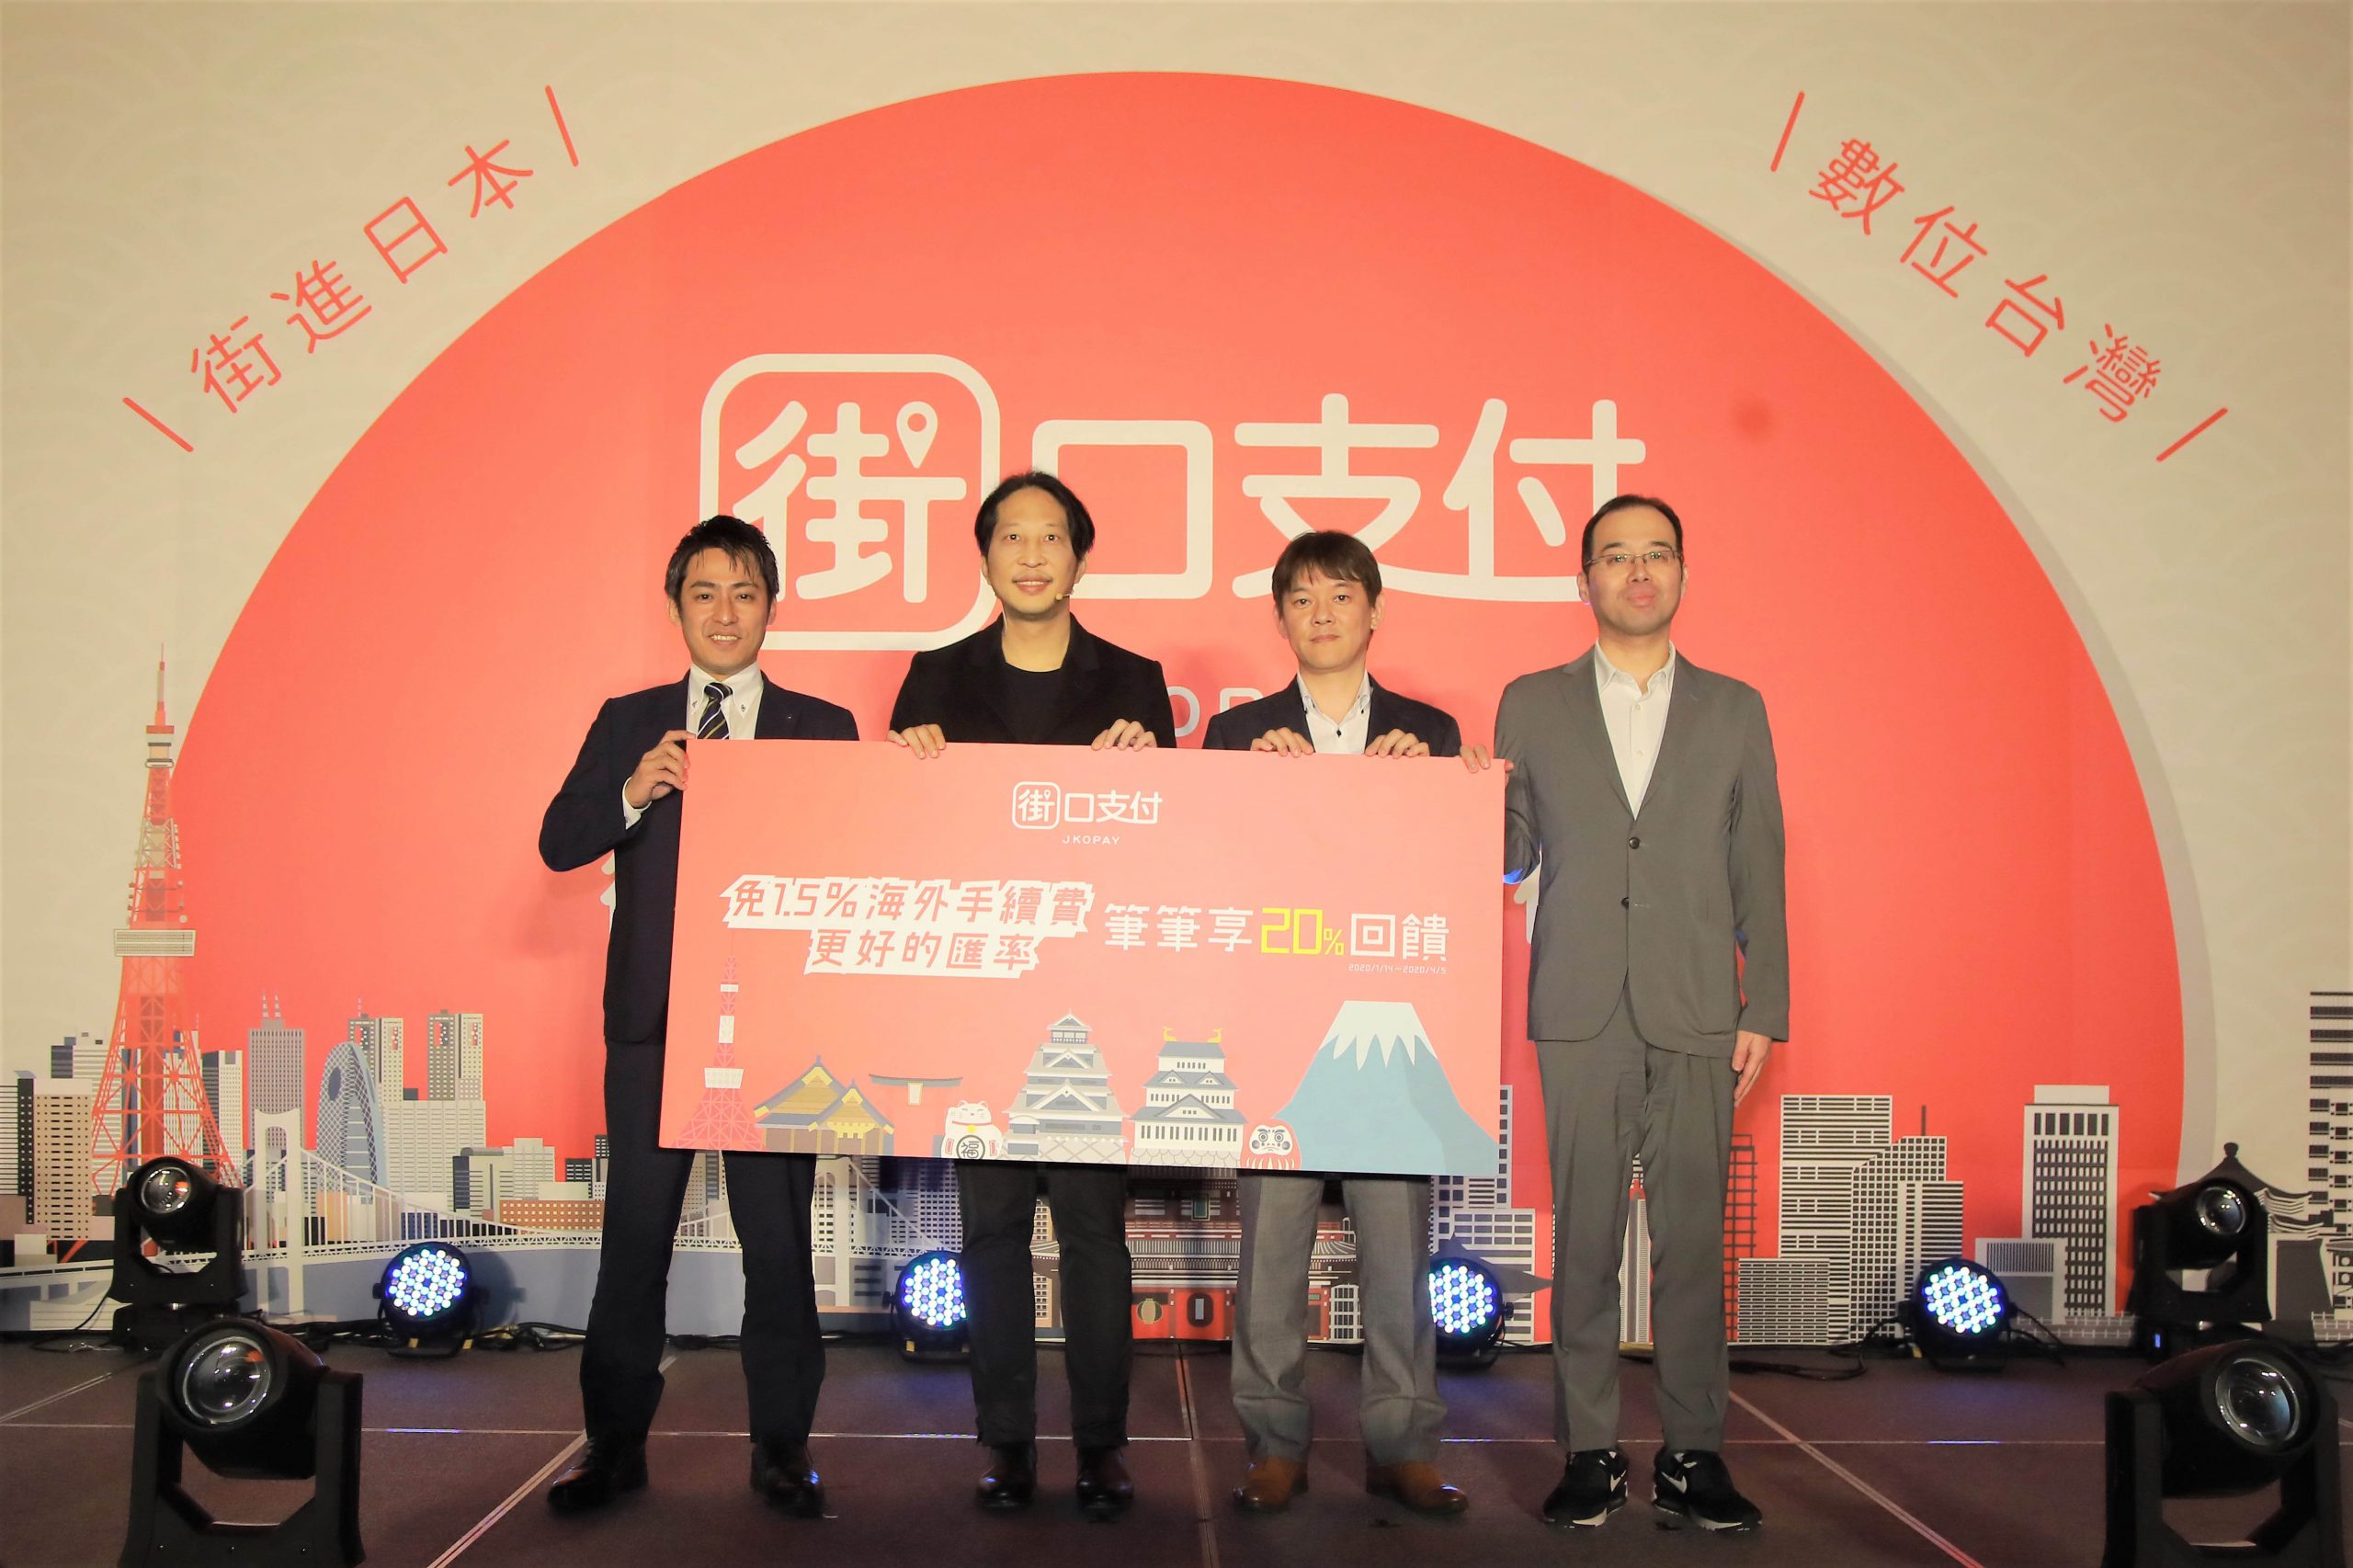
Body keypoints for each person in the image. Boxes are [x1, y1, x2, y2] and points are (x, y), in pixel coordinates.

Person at [539, 516, 858, 1517]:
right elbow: (558, 840)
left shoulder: (823, 727)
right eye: (704, 593)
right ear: (675, 606)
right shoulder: (628, 719)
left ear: (773, 606)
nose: (725, 612)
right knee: (634, 1243)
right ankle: (612, 1446)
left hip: (771, 1027)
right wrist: (633, 791)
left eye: (745, 593)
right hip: (653, 1024)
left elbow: (857, 861)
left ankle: (782, 1449)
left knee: (779, 1248)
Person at [1493, 494, 1787, 1533]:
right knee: (1584, 1241)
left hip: (1700, 1001)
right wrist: (1469, 806)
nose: (1637, 572)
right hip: (1579, 1004)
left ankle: (1694, 1454)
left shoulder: (1734, 707)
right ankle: (1590, 1453)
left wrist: (1766, 1001)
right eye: (1615, 556)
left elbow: (1759, 859)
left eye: (1656, 554)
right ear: (1584, 580)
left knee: (1693, 1243)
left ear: (1683, 575)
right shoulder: (1530, 701)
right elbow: (1510, 846)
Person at [888, 471, 1176, 1517]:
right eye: (1012, 536)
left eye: (1051, 537)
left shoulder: (1134, 681)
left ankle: (1101, 1442)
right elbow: (898, 840)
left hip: (1093, 1004)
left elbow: (1169, 842)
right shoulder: (934, 678)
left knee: (1096, 1234)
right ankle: (1006, 1440)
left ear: (1080, 558)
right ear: (985, 557)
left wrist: (1151, 768)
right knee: (992, 1233)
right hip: (978, 997)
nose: (1032, 555)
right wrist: (905, 766)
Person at [1202, 530, 1482, 1517]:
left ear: (1375, 609)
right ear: (1279, 618)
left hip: (1390, 1031)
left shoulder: (1429, 731)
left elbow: (1462, 875)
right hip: (1278, 1032)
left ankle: (1403, 1442)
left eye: (1340, 594)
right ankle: (1272, 1441)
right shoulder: (1236, 734)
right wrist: (1249, 791)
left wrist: (1442, 787)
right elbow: (1207, 872)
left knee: (1399, 1254)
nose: (1321, 613)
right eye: (1301, 598)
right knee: (1270, 1254)